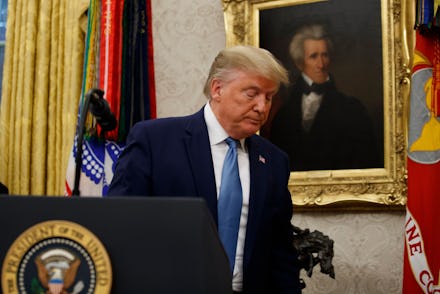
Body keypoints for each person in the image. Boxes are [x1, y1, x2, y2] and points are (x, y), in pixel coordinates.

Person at [108, 45, 302, 293]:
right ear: (217, 88)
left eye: (269, 97)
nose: (262, 108)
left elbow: (280, 251)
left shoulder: (274, 160)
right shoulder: (154, 141)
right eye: (251, 94)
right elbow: (122, 226)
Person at [268, 24, 380, 171]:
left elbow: (365, 161)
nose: (321, 64)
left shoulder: (353, 109)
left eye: (325, 55)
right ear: (299, 63)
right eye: (314, 56)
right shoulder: (283, 115)